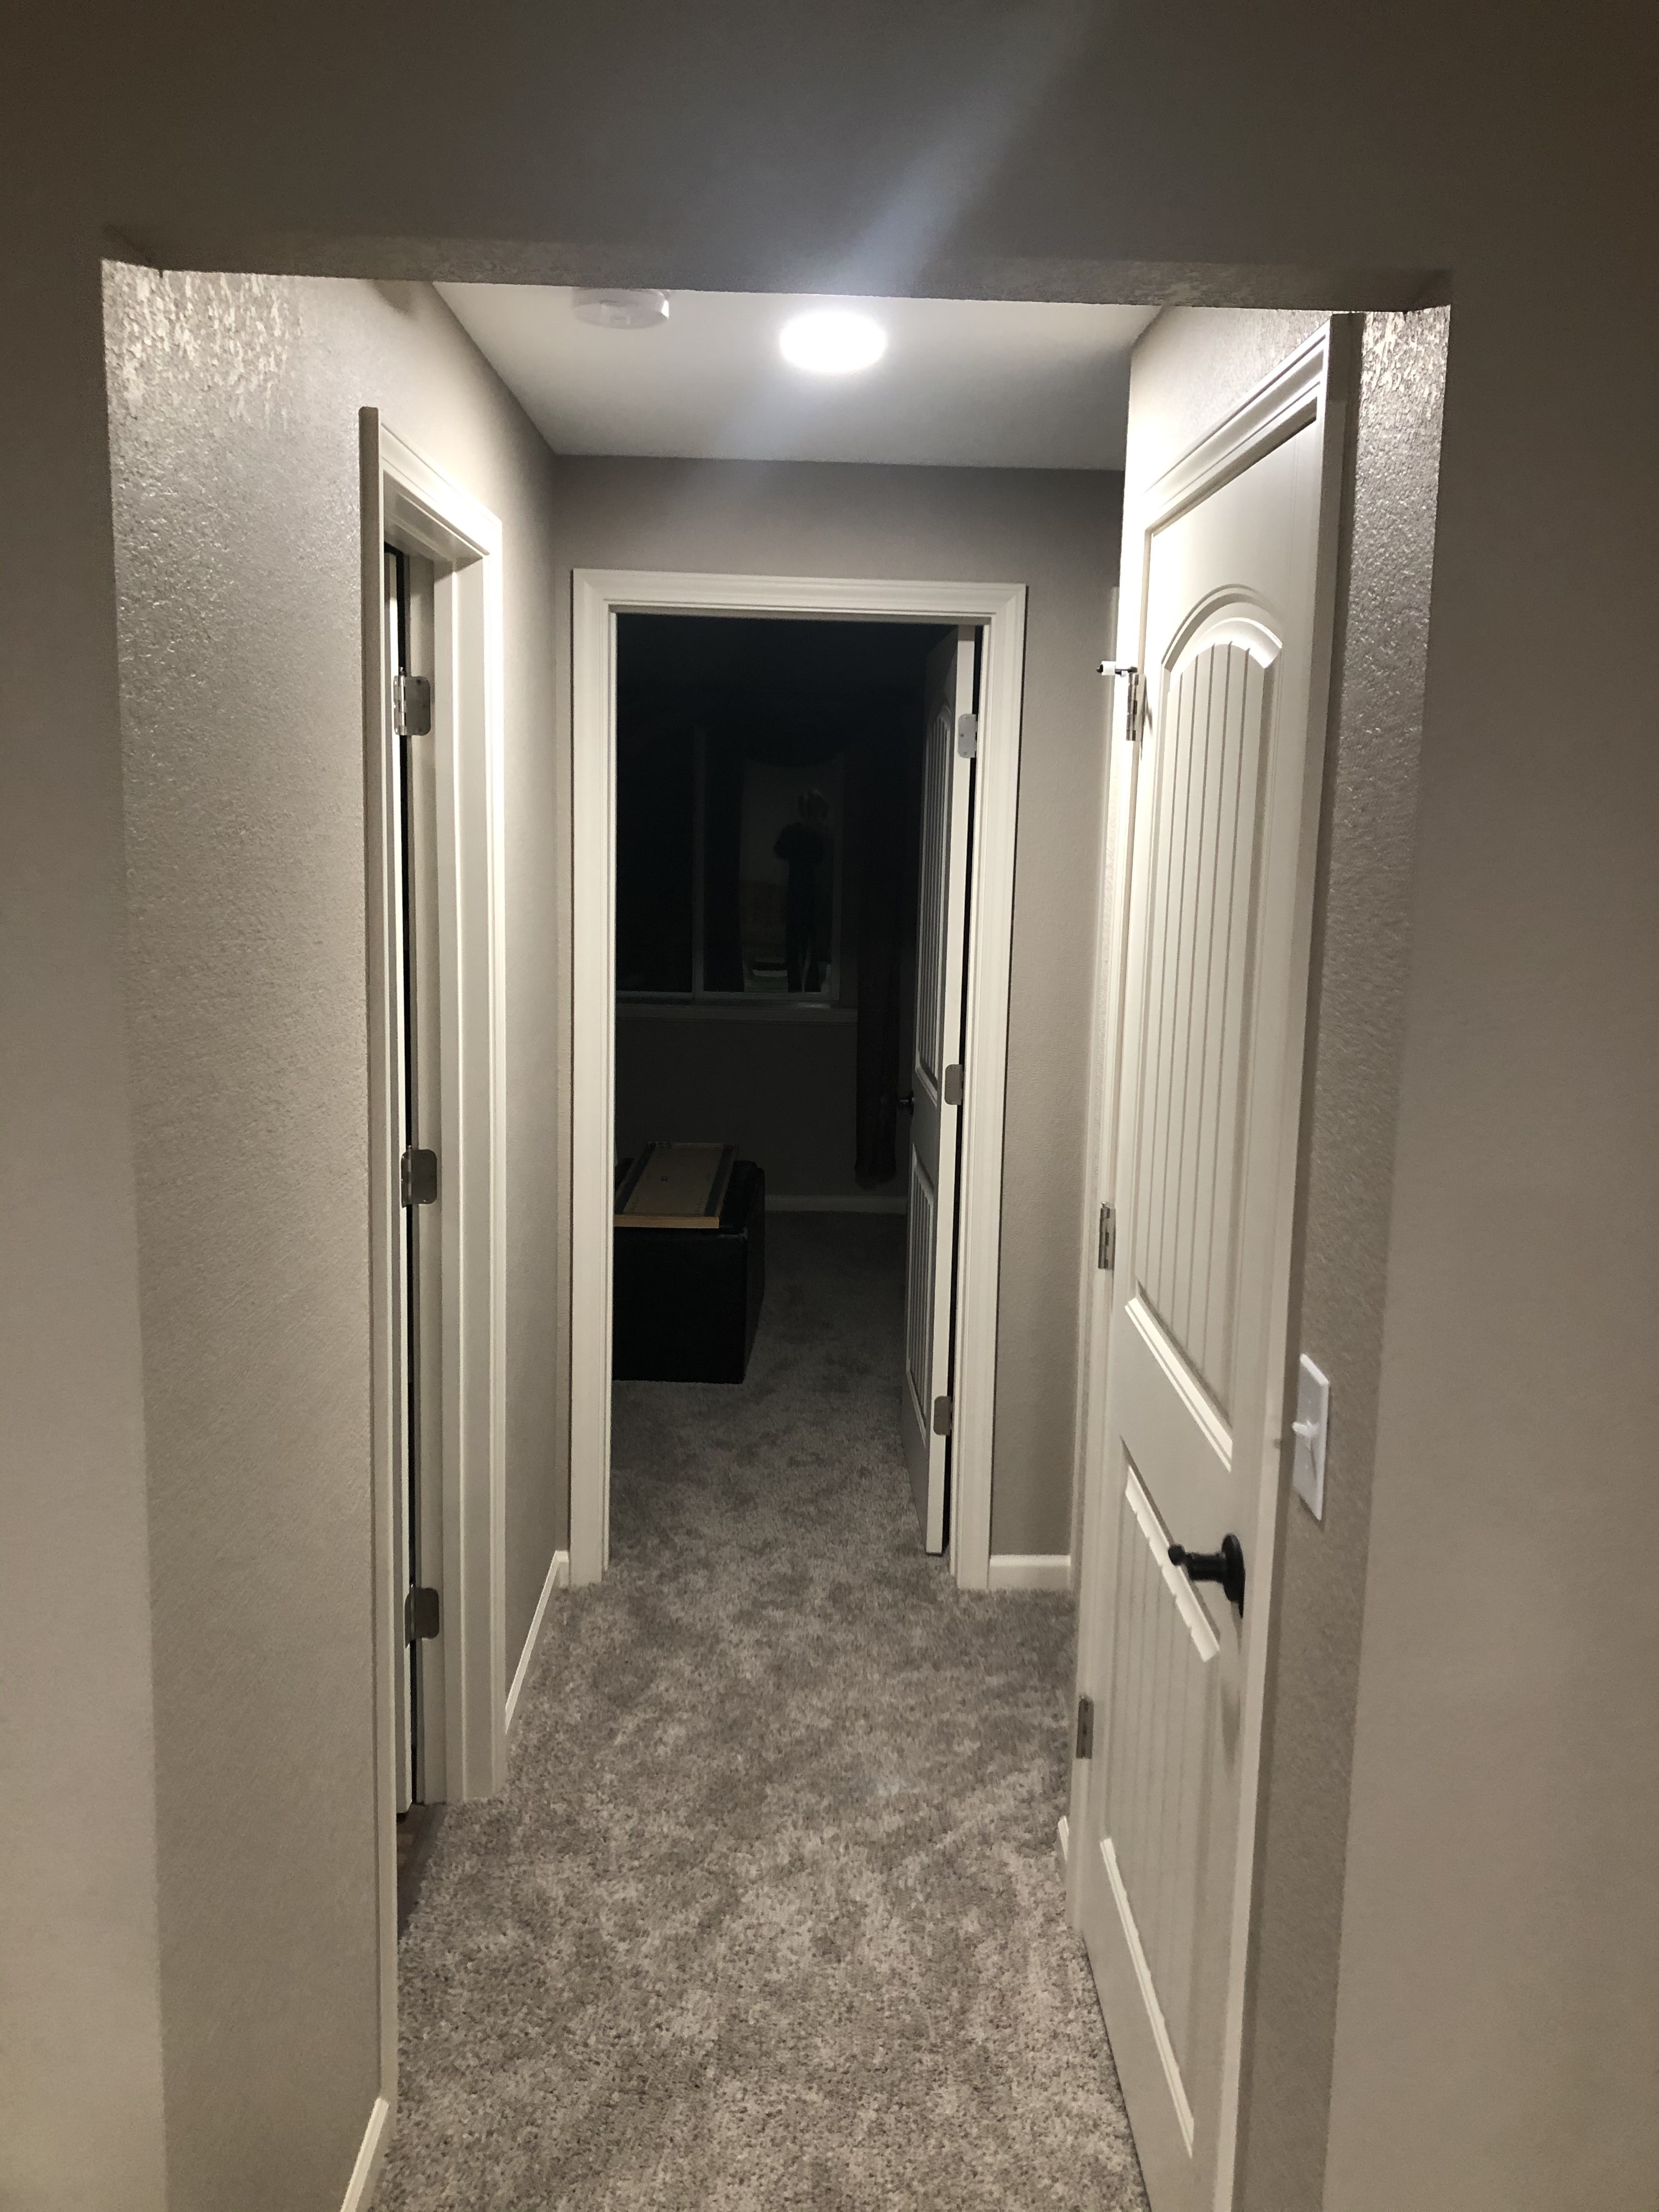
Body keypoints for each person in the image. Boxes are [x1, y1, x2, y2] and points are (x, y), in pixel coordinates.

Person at [773, 789, 830, 992]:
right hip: (803, 892)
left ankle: (806, 986)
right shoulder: (799, 833)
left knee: (812, 945)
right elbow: (780, 851)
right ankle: (799, 987)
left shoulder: (817, 835)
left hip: (813, 894)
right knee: (798, 944)